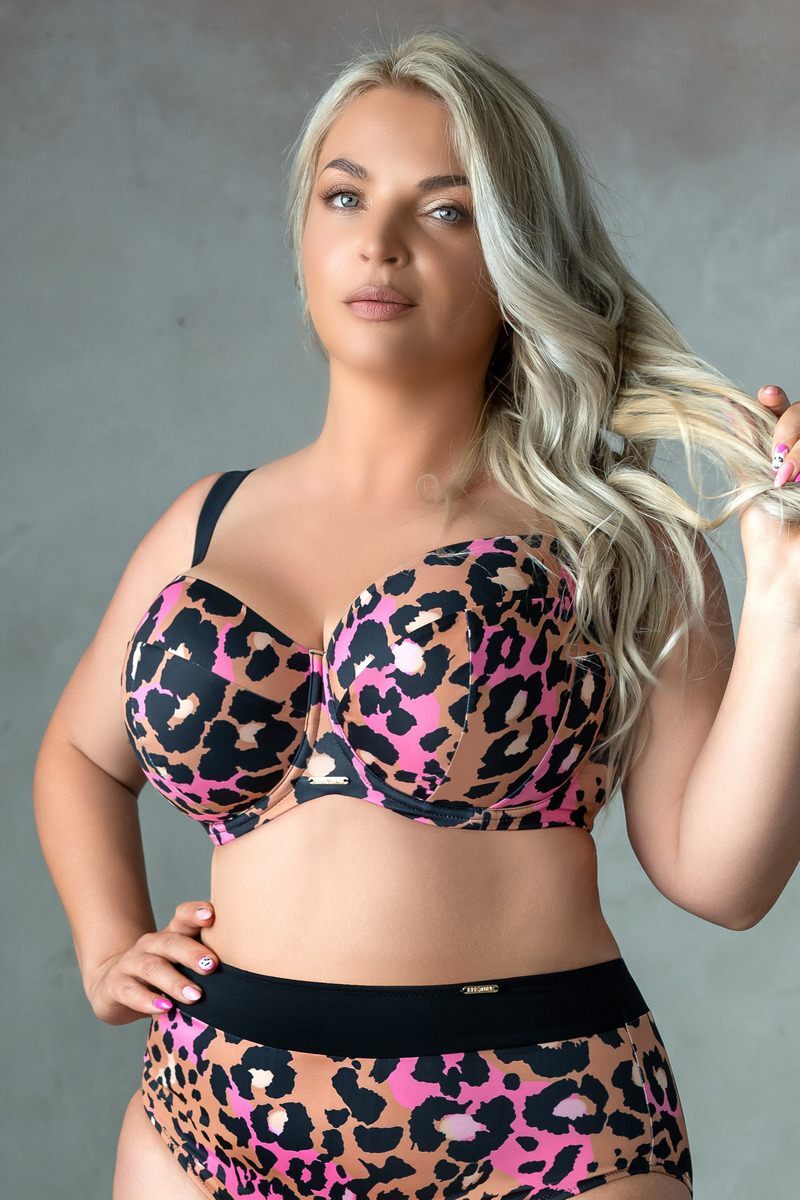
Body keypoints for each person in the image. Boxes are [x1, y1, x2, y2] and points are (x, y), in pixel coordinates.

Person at [33, 28, 800, 1200]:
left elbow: (722, 881)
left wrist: (785, 587)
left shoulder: (615, 534)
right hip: (211, 1114)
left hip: (535, 1119)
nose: (377, 241)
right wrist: (105, 945)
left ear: (515, 255)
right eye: (344, 196)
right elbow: (82, 755)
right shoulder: (205, 524)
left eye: (443, 210)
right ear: (304, 231)